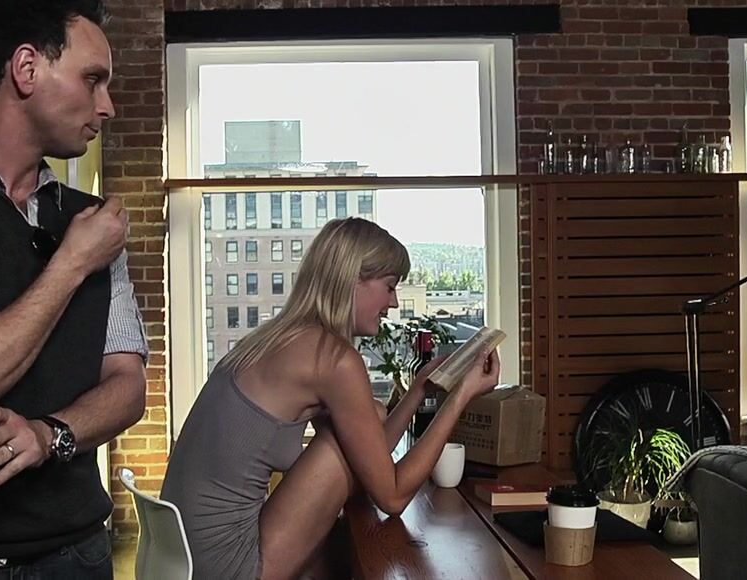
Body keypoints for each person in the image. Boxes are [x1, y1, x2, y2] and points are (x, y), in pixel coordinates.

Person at [161, 217, 501, 579]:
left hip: (181, 555)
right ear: (352, 279)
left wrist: (418, 391)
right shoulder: (334, 361)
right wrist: (461, 396)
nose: (394, 302)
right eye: (389, 287)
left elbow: (369, 457)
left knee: (368, 420)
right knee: (355, 441)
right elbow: (392, 496)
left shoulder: (278, 338)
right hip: (227, 566)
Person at [0, 1, 147, 577]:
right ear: (26, 68)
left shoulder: (94, 221)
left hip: (78, 554)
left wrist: (49, 435)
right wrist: (71, 264)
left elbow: (129, 386)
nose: (107, 106)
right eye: (93, 79)